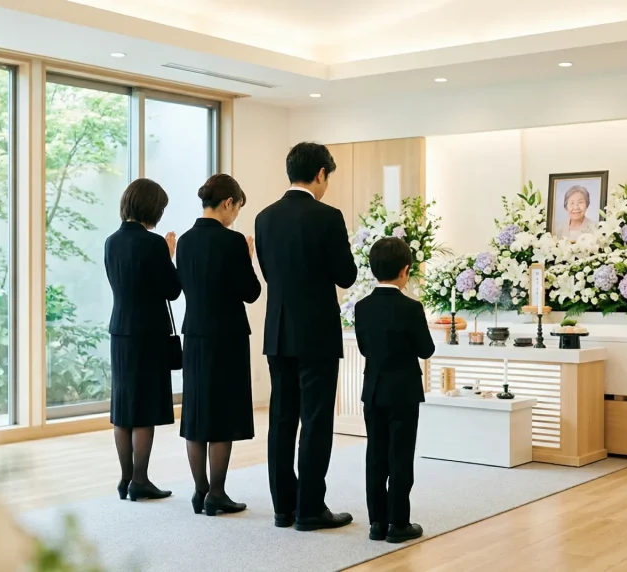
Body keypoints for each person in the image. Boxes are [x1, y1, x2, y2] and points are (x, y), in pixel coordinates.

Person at [255, 142, 358, 531]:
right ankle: (310, 509)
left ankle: (283, 507)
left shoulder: (264, 217)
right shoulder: (328, 217)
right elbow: (346, 276)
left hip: (278, 332)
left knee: (281, 420)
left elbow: (269, 273)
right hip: (316, 333)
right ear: (320, 174)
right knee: (315, 420)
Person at [176, 174, 261, 517]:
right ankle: (217, 492)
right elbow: (251, 292)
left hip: (195, 336)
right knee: (223, 413)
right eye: (237, 207)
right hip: (227, 337)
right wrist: (248, 258)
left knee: (197, 413)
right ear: (228, 203)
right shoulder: (233, 241)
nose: (236, 215)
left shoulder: (184, 241)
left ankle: (200, 491)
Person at [353, 238, 435, 544]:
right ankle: (398, 523)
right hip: (403, 392)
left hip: (373, 390)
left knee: (375, 455)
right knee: (400, 456)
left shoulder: (362, 307)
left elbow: (364, 347)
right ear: (405, 271)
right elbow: (426, 349)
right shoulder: (411, 308)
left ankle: (377, 522)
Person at [105, 178, 180, 502]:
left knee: (124, 407)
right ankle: (140, 479)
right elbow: (172, 290)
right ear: (152, 208)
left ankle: (125, 480)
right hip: (148, 333)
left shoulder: (111, 241)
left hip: (120, 331)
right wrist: (169, 255)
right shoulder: (153, 244)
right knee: (145, 407)